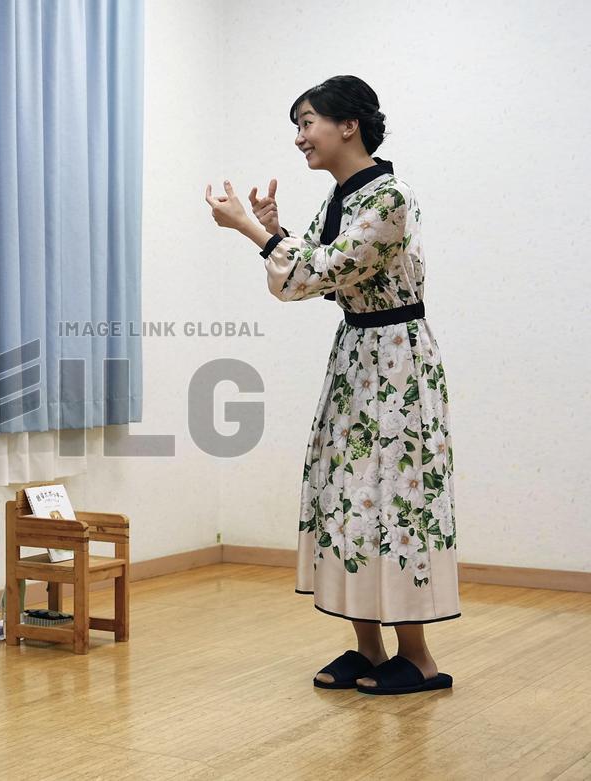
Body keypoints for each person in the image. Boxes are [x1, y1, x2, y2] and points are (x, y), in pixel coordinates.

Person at [205, 75, 458, 695]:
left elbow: (323, 267)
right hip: (355, 359)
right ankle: (368, 650)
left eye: (307, 121)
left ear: (349, 124)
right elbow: (296, 282)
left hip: (397, 363)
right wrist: (277, 231)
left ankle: (420, 658)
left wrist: (257, 233)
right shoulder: (340, 196)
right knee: (348, 497)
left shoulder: (390, 196)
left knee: (397, 501)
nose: (299, 137)